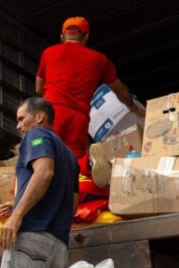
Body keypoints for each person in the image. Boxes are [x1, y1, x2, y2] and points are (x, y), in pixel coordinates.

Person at [0, 97, 79, 268]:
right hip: (58, 247)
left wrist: (16, 217)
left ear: (40, 117)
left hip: (31, 238)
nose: (19, 126)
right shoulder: (69, 155)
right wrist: (18, 200)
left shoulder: (37, 136)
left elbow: (43, 173)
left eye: (22, 118)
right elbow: (73, 202)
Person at [36, 16, 142, 169]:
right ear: (86, 37)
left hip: (50, 112)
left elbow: (39, 88)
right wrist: (132, 106)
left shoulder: (49, 52)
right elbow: (122, 91)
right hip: (77, 119)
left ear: (62, 37)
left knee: (44, 154)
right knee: (72, 163)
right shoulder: (100, 60)